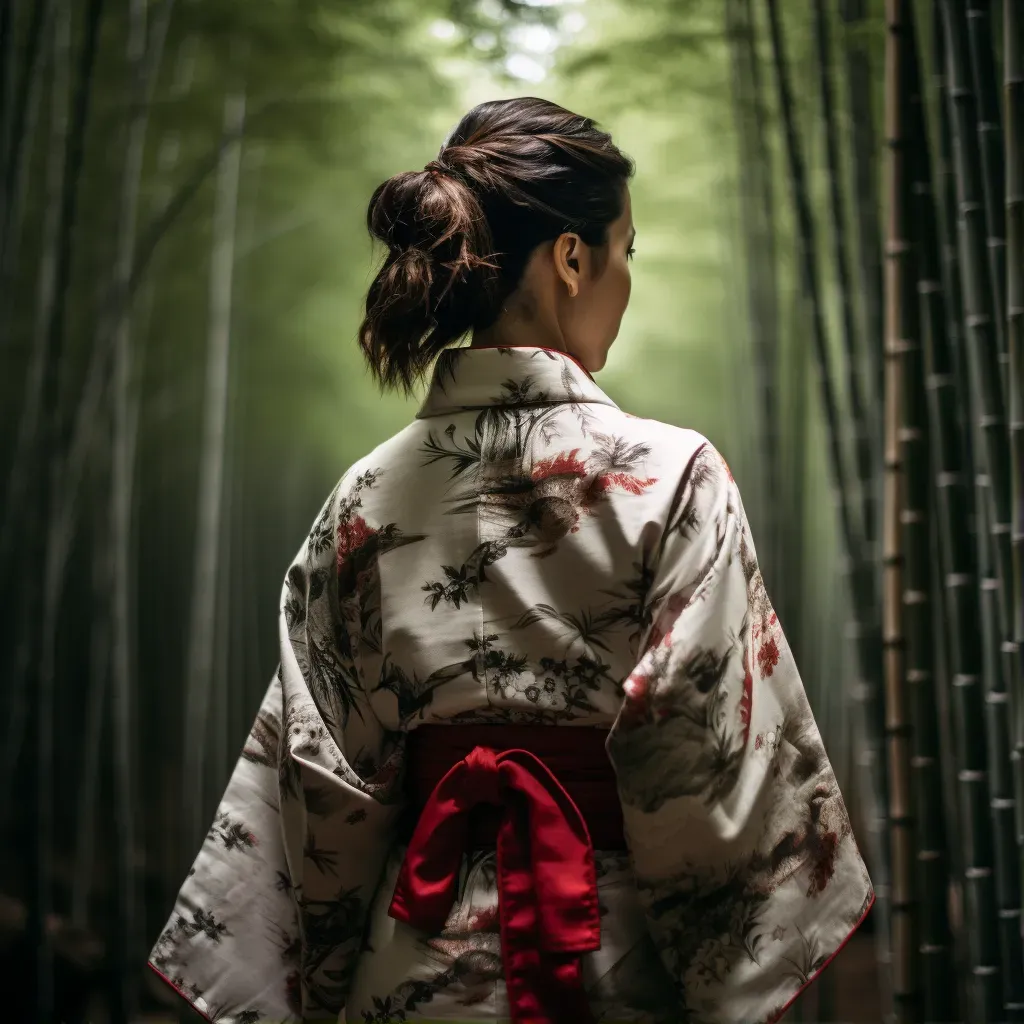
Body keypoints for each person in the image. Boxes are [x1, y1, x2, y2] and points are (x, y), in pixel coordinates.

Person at [149, 96, 873, 1024]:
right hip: (613, 965)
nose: (626, 280)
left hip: (408, 964)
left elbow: (319, 783)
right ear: (573, 258)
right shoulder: (674, 476)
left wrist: (326, 980)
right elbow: (704, 758)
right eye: (627, 252)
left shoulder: (363, 499)